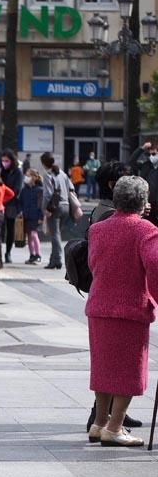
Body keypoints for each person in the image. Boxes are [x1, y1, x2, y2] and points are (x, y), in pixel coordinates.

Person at [85, 176, 158, 447]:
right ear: (142, 201)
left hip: (99, 306)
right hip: (130, 310)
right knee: (128, 372)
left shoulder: (98, 229)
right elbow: (155, 264)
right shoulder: (145, 230)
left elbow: (94, 264)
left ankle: (99, 423)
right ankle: (115, 427)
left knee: (103, 369)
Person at [41, 153, 72, 269]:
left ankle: (58, 260)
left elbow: (48, 194)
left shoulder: (48, 175)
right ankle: (53, 259)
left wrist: (44, 208)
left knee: (55, 235)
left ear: (43, 163)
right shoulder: (62, 173)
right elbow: (71, 188)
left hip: (54, 207)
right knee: (57, 234)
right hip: (66, 206)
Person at [0, 150, 23, 264]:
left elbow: (17, 190)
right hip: (0, 204)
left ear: (12, 161)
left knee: (10, 230)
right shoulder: (1, 171)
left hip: (12, 204)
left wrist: (6, 198)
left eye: (7, 161)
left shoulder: (17, 172)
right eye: (3, 160)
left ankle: (8, 252)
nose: (4, 163)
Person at [19, 169, 44, 264]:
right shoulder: (24, 190)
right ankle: (32, 255)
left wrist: (41, 217)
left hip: (35, 216)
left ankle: (38, 255)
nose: (26, 178)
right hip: (26, 216)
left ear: (34, 177)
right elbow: (20, 202)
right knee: (29, 236)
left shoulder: (39, 190)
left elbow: (41, 205)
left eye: (28, 175)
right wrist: (20, 211)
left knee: (33, 234)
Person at [131, 141, 158, 226]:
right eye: (149, 154)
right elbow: (132, 161)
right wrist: (141, 149)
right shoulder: (145, 165)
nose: (151, 157)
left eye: (153, 154)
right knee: (147, 225)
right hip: (146, 203)